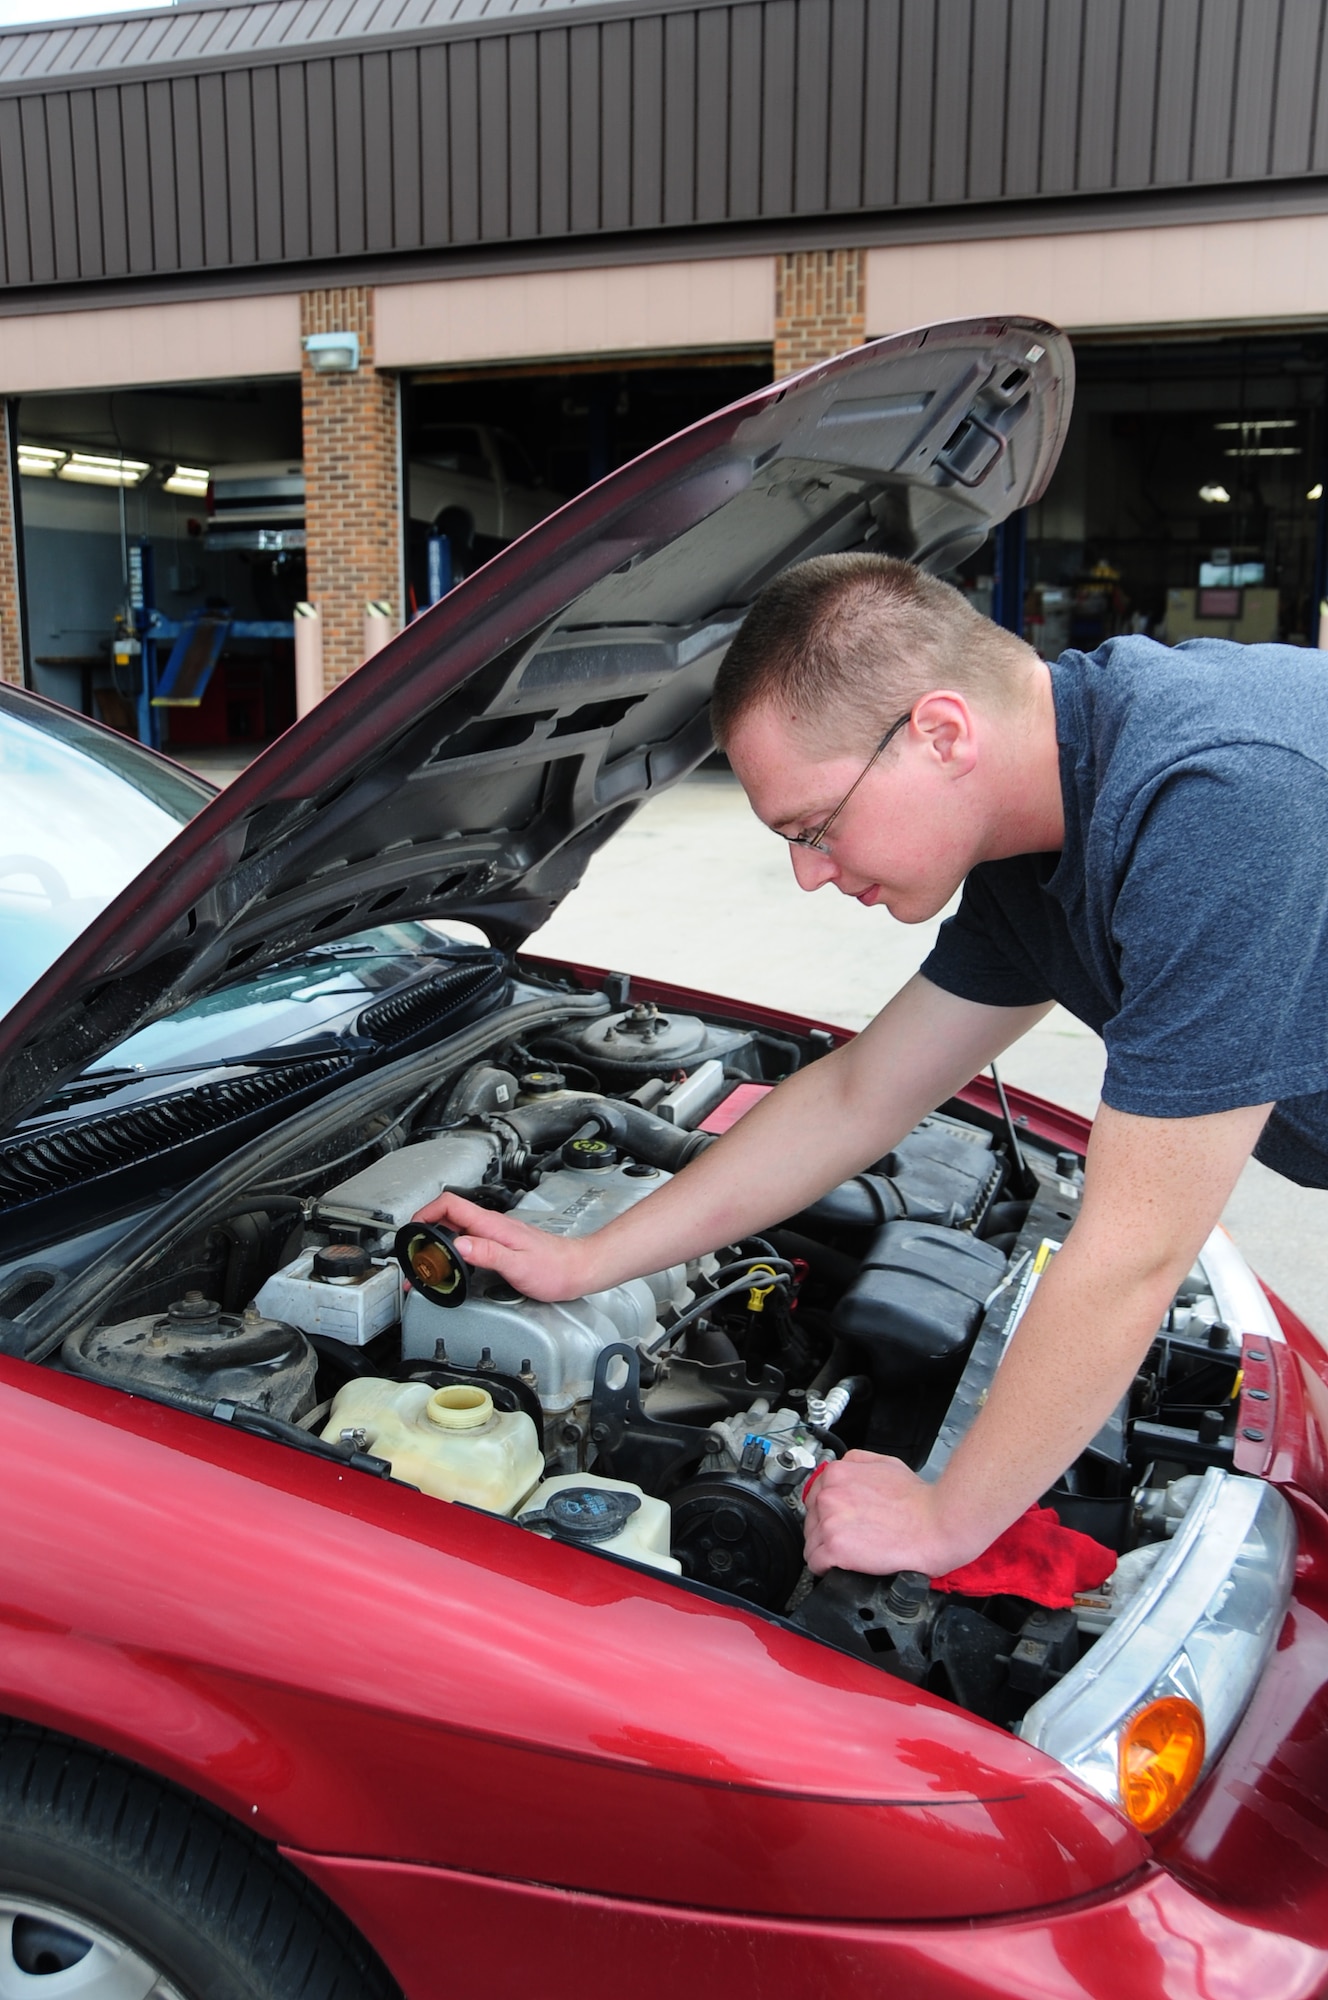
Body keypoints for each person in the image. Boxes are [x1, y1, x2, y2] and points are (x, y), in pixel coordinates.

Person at [415, 553, 1328, 1582]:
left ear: (939, 733)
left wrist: (944, 1518)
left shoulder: (1217, 800)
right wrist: (586, 1261)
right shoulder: (1041, 837)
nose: (808, 873)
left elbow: (1132, 1252)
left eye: (814, 826)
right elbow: (857, 1094)